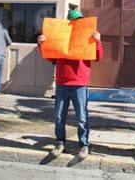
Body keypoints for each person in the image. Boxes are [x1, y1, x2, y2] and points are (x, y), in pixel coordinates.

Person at [38, 9, 104, 159]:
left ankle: (84, 145)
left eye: (79, 21)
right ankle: (60, 143)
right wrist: (41, 44)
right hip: (62, 82)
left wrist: (98, 41)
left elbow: (99, 57)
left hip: (80, 83)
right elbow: (49, 56)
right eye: (74, 21)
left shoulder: (88, 37)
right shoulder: (60, 37)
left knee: (82, 117)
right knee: (59, 116)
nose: (77, 24)